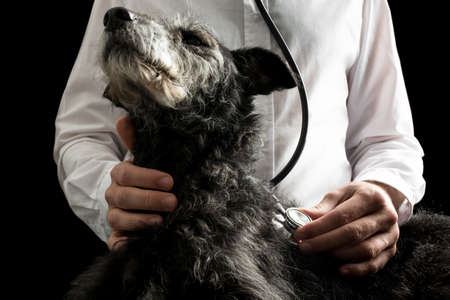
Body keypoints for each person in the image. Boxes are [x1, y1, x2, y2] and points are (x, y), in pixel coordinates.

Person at [54, 0, 425, 278]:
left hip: (329, 265)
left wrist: (382, 190)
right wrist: (111, 195)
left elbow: (387, 138)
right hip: (172, 263)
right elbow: (83, 132)